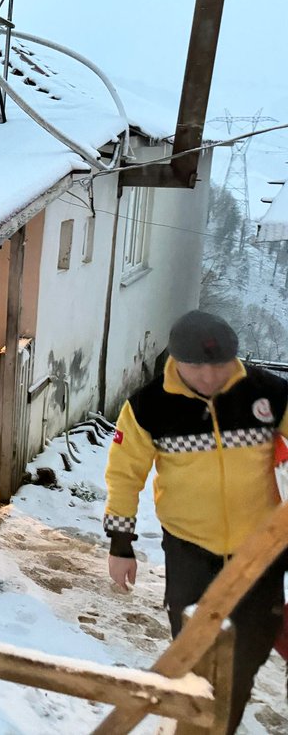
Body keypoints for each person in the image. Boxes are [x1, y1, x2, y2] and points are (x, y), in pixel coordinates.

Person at [104, 309, 288, 734]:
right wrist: (120, 543)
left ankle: (222, 719)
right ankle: (197, 722)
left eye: (219, 366)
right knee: (192, 650)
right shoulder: (149, 407)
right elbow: (123, 475)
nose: (209, 378)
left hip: (261, 549)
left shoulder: (269, 393)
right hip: (191, 550)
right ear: (177, 361)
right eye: (197, 367)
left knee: (252, 646)